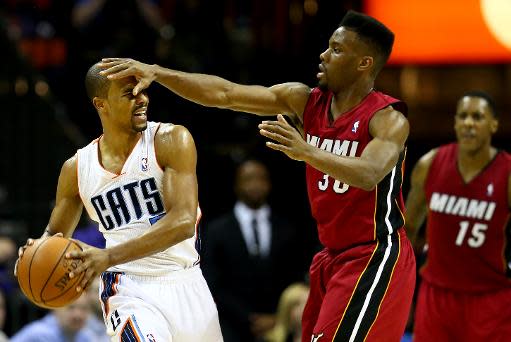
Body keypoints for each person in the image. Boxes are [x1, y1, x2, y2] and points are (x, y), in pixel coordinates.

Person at [99, 9, 416, 341]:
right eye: (327, 46)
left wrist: (306, 151)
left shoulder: (387, 118)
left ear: (364, 63)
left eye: (336, 50)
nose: (323, 55)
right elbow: (225, 94)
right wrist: (158, 72)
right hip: (330, 255)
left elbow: (369, 174)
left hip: (375, 251)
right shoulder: (304, 100)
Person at [15, 63, 223, 341]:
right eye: (129, 93)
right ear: (101, 104)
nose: (142, 98)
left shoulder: (171, 140)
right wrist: (36, 251)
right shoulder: (77, 169)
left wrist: (107, 256)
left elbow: (184, 223)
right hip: (128, 288)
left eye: (143, 90)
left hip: (188, 282)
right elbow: (56, 235)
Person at [405, 91, 511, 341]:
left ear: (494, 124)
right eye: (462, 116)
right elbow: (407, 228)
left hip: (491, 297)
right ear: (454, 123)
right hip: (436, 295)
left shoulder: (507, 175)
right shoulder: (429, 165)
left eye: (477, 117)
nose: (468, 123)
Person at [201, 159, 305, 342]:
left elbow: (293, 275)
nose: (255, 184)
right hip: (230, 326)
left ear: (269, 183)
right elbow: (212, 280)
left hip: (280, 325)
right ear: (236, 184)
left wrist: (276, 316)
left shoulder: (287, 229)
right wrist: (248, 317)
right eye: (248, 179)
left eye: (261, 178)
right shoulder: (216, 230)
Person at [10, 294, 95, 342]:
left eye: (84, 309)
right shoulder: (37, 334)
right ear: (56, 307)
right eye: (71, 307)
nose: (78, 315)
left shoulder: (84, 337)